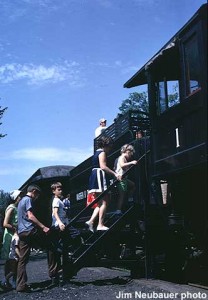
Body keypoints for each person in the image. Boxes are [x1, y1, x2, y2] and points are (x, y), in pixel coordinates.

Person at [16, 184, 50, 293]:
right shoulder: (28, 200)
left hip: (22, 232)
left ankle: (21, 285)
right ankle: (55, 273)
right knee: (51, 245)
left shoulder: (20, 201)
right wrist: (43, 227)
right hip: (30, 231)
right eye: (37, 195)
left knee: (22, 260)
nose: (37, 198)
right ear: (34, 191)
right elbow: (30, 216)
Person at [85, 136, 121, 232]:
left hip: (94, 175)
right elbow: (103, 166)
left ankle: (91, 221)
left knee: (100, 203)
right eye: (110, 146)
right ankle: (100, 224)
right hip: (99, 175)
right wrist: (115, 174)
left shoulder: (96, 152)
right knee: (105, 201)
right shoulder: (102, 153)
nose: (110, 149)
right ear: (106, 145)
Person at [48, 182, 80, 285]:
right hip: (60, 226)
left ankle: (62, 274)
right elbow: (55, 213)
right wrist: (61, 223)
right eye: (58, 189)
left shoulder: (59, 200)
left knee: (64, 248)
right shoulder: (56, 201)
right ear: (54, 191)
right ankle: (62, 274)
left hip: (63, 225)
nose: (61, 191)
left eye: (61, 189)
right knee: (63, 249)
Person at [114, 144, 138, 215]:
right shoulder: (122, 157)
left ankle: (130, 199)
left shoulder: (124, 159)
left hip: (124, 179)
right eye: (131, 153)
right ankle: (118, 210)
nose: (131, 155)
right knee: (122, 195)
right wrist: (131, 162)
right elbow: (122, 165)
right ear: (127, 151)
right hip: (121, 179)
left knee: (133, 185)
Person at [1, 190, 22, 260]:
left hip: (15, 234)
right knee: (10, 258)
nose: (21, 198)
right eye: (19, 196)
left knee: (14, 258)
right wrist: (15, 229)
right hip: (10, 235)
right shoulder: (11, 208)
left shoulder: (17, 208)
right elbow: (5, 223)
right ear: (15, 198)